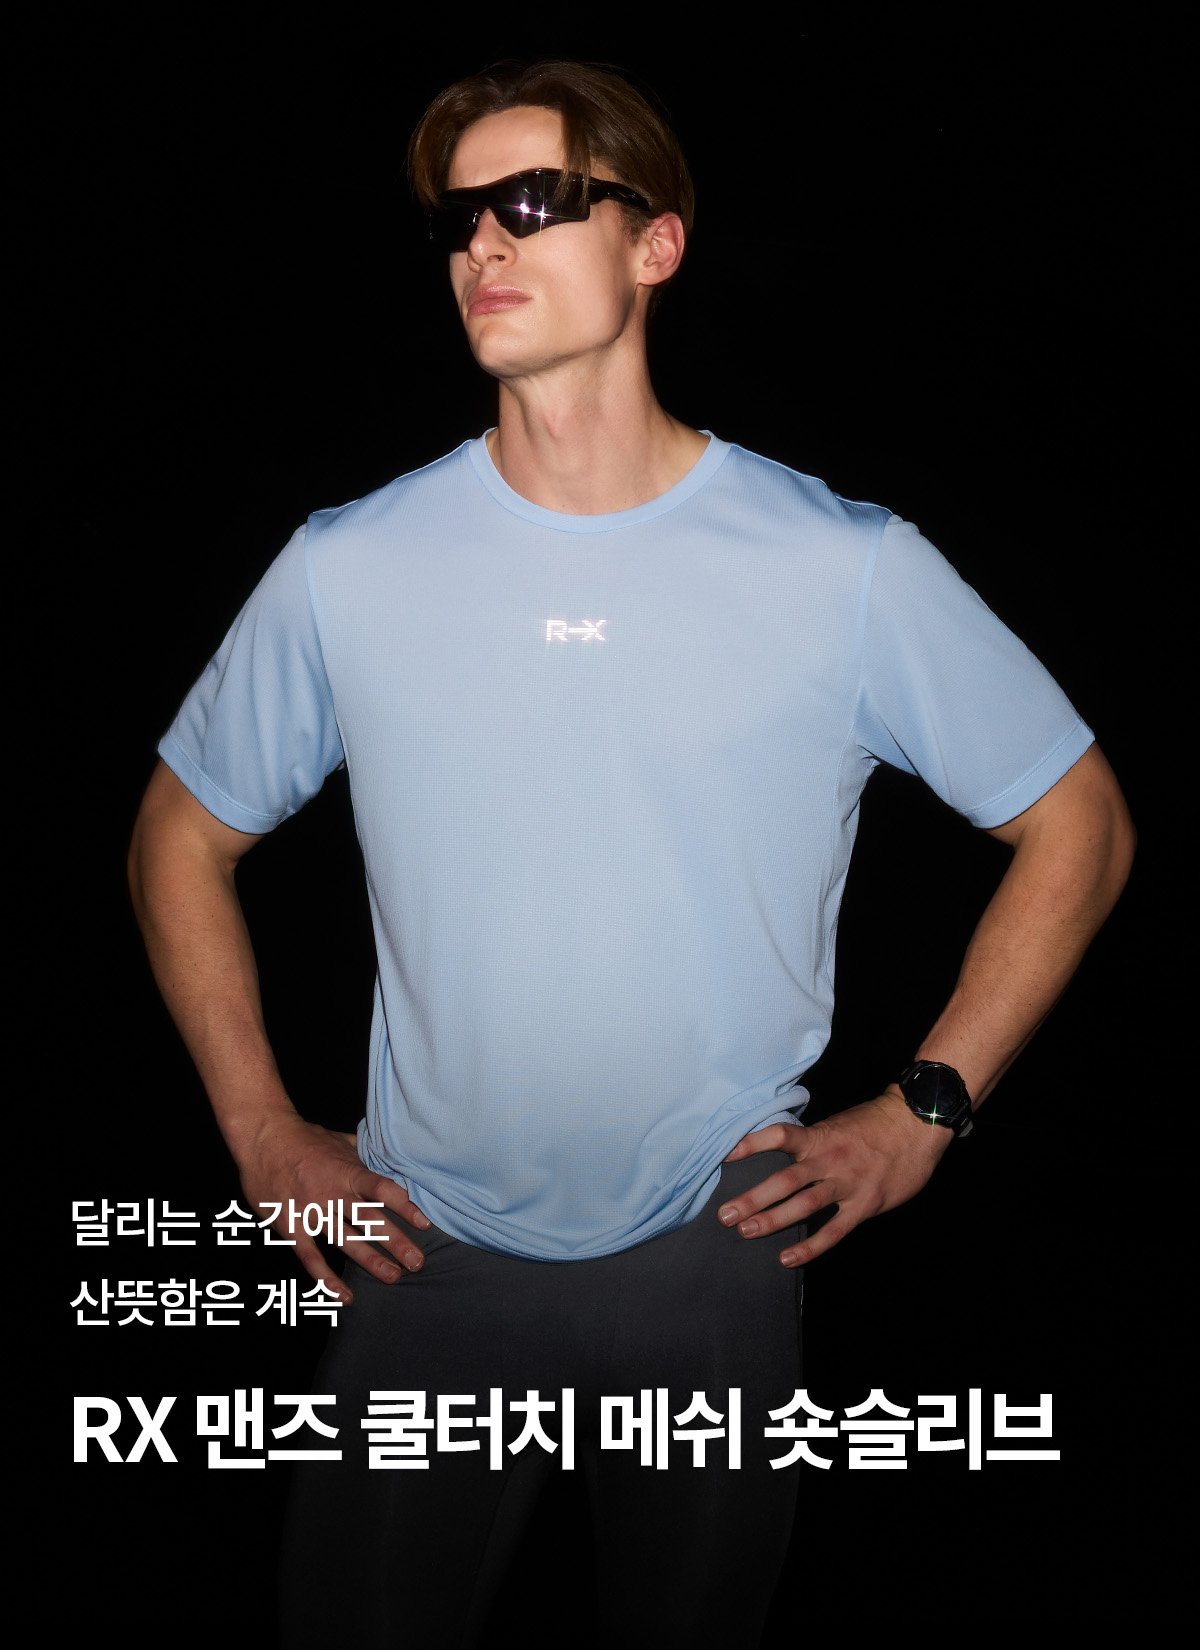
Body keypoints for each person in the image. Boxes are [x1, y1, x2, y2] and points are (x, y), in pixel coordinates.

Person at [127, 56, 1135, 1649]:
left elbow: (1079, 819)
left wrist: (925, 1109)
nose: (483, 243)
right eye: (461, 218)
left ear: (655, 243)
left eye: (533, 202)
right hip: (426, 1246)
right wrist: (259, 1130)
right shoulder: (350, 566)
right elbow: (180, 834)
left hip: (712, 1247)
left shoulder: (840, 566)